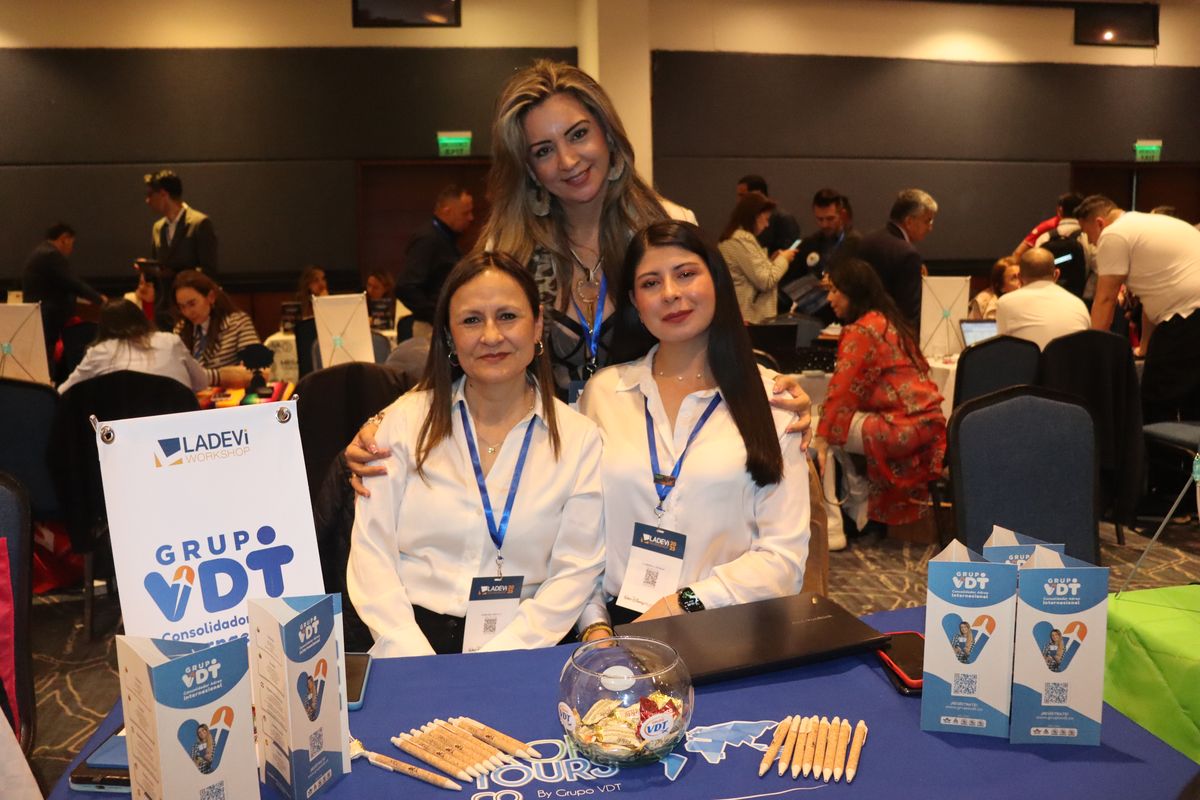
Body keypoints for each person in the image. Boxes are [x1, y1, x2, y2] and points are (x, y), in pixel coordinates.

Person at [343, 60, 812, 492]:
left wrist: (769, 387)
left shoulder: (667, 224)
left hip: (649, 465)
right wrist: (386, 420)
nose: (568, 161)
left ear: (607, 133)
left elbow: (709, 335)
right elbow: (463, 356)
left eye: (578, 134)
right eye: (544, 150)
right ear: (527, 167)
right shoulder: (506, 247)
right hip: (541, 468)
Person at [347, 251, 605, 657]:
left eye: (507, 316)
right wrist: (411, 655)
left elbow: (575, 572)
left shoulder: (579, 439)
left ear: (537, 324)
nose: (490, 336)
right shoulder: (402, 423)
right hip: (405, 638)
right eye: (471, 320)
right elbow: (370, 553)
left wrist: (501, 659)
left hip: (526, 642)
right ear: (448, 336)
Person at [577, 221, 810, 638]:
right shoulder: (603, 393)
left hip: (725, 628)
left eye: (686, 274)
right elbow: (578, 533)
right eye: (651, 282)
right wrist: (594, 627)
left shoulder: (774, 401)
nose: (670, 293)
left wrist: (681, 604)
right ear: (634, 301)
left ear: (716, 280)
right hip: (613, 628)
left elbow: (784, 559)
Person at [814, 258, 947, 528]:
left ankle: (832, 525)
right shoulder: (888, 322)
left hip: (899, 428)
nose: (829, 299)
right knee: (834, 426)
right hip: (928, 425)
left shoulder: (861, 330)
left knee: (817, 431)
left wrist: (821, 439)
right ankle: (857, 509)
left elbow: (840, 393)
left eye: (834, 290)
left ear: (853, 292)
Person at [1079, 194, 1200, 422]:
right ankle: (1192, 457)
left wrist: (1092, 352)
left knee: (1154, 401)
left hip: (1187, 318)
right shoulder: (1157, 223)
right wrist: (1144, 348)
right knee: (1193, 407)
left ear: (1099, 223)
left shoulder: (1114, 234)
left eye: (1089, 235)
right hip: (1186, 314)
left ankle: (1156, 457)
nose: (1092, 243)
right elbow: (1152, 301)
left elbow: (1105, 299)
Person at [57, 299, 220, 394]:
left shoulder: (99, 352)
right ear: (140, 318)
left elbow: (63, 392)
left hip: (125, 438)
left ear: (104, 327)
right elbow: (202, 382)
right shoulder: (170, 341)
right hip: (178, 430)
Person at [20, 223, 105, 366]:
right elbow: (72, 282)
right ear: (64, 238)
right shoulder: (51, 254)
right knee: (48, 358)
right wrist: (99, 299)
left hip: (42, 316)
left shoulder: (42, 252)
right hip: (47, 317)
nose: (72, 248)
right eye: (72, 243)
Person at [395, 185, 475, 333]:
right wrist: (437, 315)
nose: (471, 218)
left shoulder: (448, 240)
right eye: (466, 213)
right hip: (431, 328)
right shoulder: (428, 239)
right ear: (447, 211)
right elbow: (405, 287)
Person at [144, 169, 218, 324]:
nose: (147, 200)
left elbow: (209, 271)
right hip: (164, 308)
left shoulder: (199, 223)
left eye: (150, 194)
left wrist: (175, 274)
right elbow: (158, 264)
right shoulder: (157, 227)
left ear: (163, 194)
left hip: (192, 309)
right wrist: (148, 269)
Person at [856, 189, 938, 325]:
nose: (930, 228)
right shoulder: (908, 254)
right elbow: (909, 311)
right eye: (927, 221)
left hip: (863, 327)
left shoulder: (866, 240)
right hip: (893, 334)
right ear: (909, 221)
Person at [718, 191, 797, 323]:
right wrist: (784, 259)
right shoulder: (740, 239)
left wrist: (773, 262)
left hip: (746, 318)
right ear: (755, 216)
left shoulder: (736, 238)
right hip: (749, 319)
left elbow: (754, 274)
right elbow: (765, 281)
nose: (767, 225)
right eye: (766, 219)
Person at [172, 271, 258, 388]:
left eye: (192, 304)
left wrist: (204, 376)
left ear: (210, 297)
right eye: (182, 307)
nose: (187, 312)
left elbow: (256, 370)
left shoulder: (237, 322)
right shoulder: (181, 328)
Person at [996, 248, 1090, 350]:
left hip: (1030, 365)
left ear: (1019, 277)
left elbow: (1004, 350)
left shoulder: (1005, 303)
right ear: (1056, 274)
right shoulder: (1078, 304)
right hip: (1072, 365)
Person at [735, 174, 801, 256]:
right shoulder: (743, 221)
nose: (738, 201)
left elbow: (791, 253)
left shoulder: (784, 219)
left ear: (757, 194)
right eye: (738, 195)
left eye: (743, 196)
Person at [1013, 192, 1081, 259]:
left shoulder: (1047, 227)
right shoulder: (1048, 226)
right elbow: (1018, 254)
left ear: (1059, 210)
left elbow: (1018, 253)